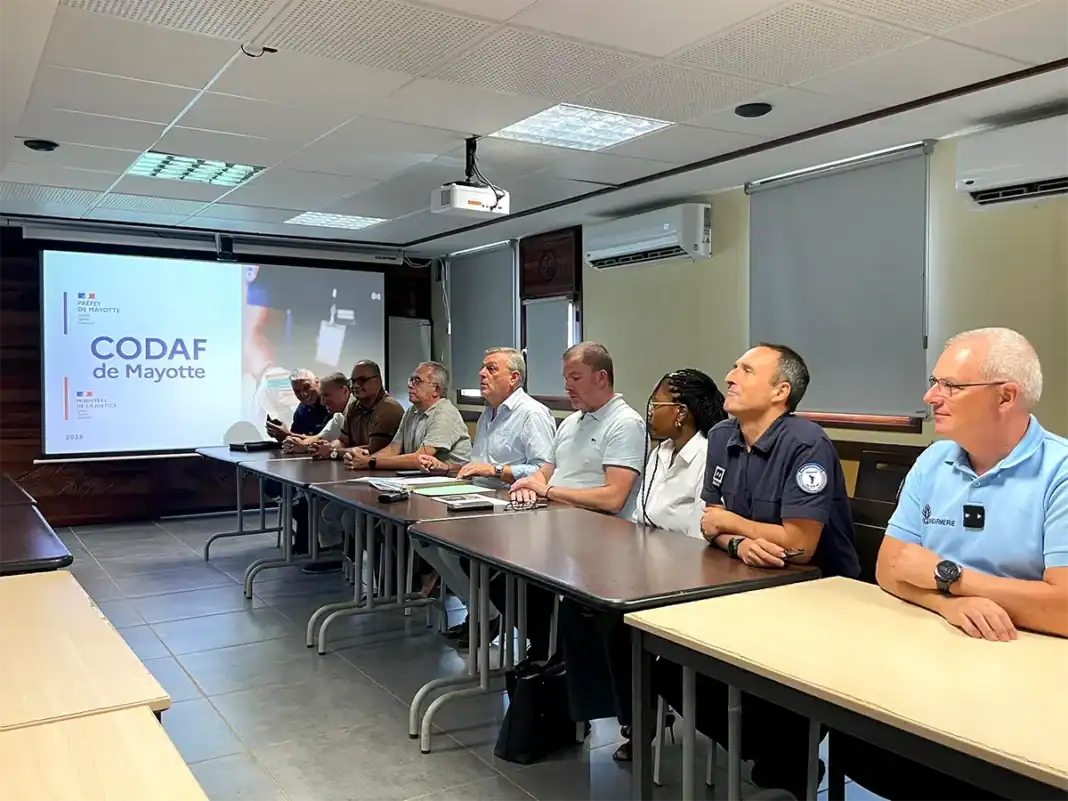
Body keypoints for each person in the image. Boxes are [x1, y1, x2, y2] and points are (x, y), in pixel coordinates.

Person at [837, 328, 1067, 801]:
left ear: (1005, 396)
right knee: (866, 744)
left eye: (950, 386)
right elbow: (888, 566)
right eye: (934, 382)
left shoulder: (1059, 472)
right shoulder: (935, 460)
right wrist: (945, 602)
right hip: (936, 656)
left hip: (1024, 682)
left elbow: (1063, 608)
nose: (930, 396)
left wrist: (952, 577)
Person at [654, 344, 859, 799]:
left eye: (746, 370)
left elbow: (800, 545)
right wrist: (739, 540)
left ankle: (787, 760)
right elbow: (710, 522)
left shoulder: (807, 444)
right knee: (667, 668)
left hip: (817, 598)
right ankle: (776, 752)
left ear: (780, 391)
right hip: (747, 587)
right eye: (733, 367)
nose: (730, 376)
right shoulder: (725, 434)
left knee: (773, 681)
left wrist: (733, 524)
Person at [561, 369, 727, 762]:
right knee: (577, 606)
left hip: (688, 575)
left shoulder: (707, 455)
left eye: (657, 405)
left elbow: (698, 534)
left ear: (682, 412)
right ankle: (612, 710)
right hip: (646, 564)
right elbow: (642, 517)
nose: (650, 412)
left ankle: (640, 718)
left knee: (612, 621)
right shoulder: (661, 453)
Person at [509, 342, 646, 661]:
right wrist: (531, 484)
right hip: (555, 526)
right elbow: (547, 472)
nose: (567, 386)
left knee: (523, 581)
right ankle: (547, 648)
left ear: (601, 378)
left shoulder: (625, 423)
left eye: (575, 377)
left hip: (598, 540)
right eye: (565, 378)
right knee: (499, 570)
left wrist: (549, 492)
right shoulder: (571, 422)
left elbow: (614, 497)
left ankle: (553, 654)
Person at [414, 347, 556, 647]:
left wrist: (496, 469)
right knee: (424, 537)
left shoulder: (531, 414)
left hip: (514, 507)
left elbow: (543, 469)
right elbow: (476, 467)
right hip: (480, 500)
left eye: (492, 369)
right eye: (482, 368)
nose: (481, 374)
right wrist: (449, 467)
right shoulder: (489, 413)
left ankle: (487, 615)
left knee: (452, 548)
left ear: (514, 378)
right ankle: (482, 612)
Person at [344, 361, 471, 593]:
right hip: (420, 484)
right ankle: (397, 586)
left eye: (417, 381)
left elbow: (421, 458)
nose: (409, 385)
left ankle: (419, 579)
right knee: (371, 520)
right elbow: (394, 449)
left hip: (452, 488)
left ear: (436, 389)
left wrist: (371, 462)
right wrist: (365, 459)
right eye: (411, 380)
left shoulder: (444, 413)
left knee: (395, 526)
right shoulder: (412, 411)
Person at [303, 361, 405, 575]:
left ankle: (388, 576)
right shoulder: (354, 407)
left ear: (377, 381)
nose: (356, 386)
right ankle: (352, 560)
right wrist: (328, 447)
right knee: (328, 512)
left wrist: (332, 453)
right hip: (357, 475)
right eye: (353, 381)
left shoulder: (389, 409)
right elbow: (343, 441)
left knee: (352, 519)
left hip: (383, 480)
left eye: (362, 380)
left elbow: (373, 451)